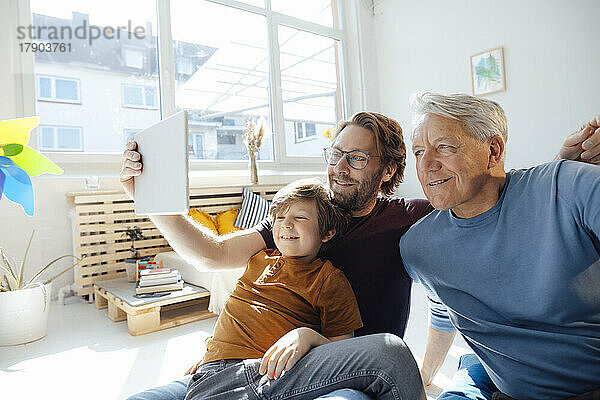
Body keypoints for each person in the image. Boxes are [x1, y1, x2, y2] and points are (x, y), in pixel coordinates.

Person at [120, 110, 599, 400]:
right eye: (335, 153)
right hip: (258, 368)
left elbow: (485, 193)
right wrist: (150, 197)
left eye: (357, 157)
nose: (339, 166)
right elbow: (209, 253)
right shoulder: (304, 220)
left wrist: (559, 170)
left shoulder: (411, 219)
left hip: (353, 368)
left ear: (389, 169)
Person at [130, 178, 426, 400]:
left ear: (328, 232)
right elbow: (220, 270)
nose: (286, 225)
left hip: (271, 376)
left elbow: (342, 350)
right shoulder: (258, 260)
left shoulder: (329, 279)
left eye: (300, 218)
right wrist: (216, 351)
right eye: (280, 218)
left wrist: (307, 336)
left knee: (391, 351)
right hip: (212, 374)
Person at [400, 92, 600, 399]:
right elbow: (443, 305)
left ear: (494, 150)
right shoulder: (418, 247)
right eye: (417, 152)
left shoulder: (571, 184)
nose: (426, 164)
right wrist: (426, 374)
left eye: (444, 147)